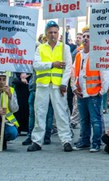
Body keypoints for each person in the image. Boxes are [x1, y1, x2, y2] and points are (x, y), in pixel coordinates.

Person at [28, 20, 74, 152]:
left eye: (55, 32)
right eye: (50, 32)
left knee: (61, 113)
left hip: (58, 86)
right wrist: (52, 64)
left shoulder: (64, 47)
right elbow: (36, 65)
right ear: (46, 34)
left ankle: (66, 140)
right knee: (40, 113)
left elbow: (68, 67)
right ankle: (37, 141)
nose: (53, 35)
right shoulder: (41, 48)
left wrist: (64, 83)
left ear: (59, 33)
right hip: (43, 85)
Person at [72, 28, 109, 152]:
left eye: (88, 36)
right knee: (84, 120)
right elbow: (74, 73)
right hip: (81, 92)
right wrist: (73, 88)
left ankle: (96, 143)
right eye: (84, 36)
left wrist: (102, 91)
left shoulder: (98, 54)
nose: (86, 38)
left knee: (95, 120)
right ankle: (85, 140)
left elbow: (104, 73)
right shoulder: (78, 55)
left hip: (93, 93)